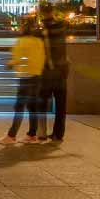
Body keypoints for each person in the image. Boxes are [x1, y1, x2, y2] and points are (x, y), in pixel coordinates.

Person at [4, 16, 47, 144]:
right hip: (37, 76)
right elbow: (42, 57)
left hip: (25, 77)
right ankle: (32, 135)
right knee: (32, 107)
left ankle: (11, 136)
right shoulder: (38, 41)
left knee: (19, 107)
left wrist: (10, 64)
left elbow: (18, 58)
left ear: (23, 28)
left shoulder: (21, 42)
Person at [39, 13, 72, 142]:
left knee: (41, 103)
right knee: (61, 106)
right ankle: (58, 134)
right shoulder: (62, 32)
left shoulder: (45, 34)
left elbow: (45, 53)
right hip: (62, 73)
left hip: (48, 73)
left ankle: (41, 133)